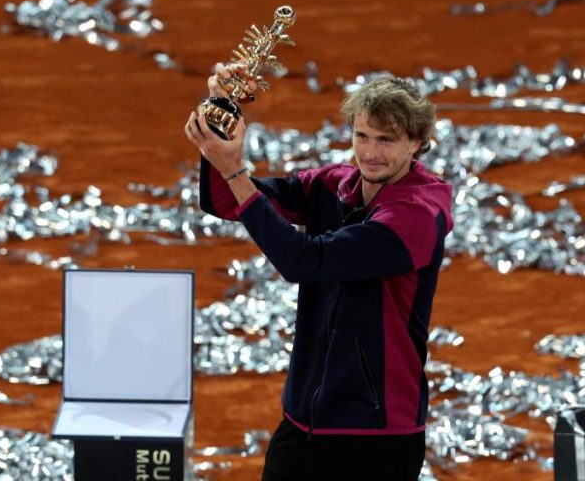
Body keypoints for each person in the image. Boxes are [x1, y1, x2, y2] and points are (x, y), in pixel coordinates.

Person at [184, 63, 453, 481]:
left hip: (376, 431)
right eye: (362, 136)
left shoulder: (416, 216)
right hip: (305, 417)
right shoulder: (333, 184)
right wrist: (222, 115)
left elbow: (304, 261)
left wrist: (235, 170)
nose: (371, 152)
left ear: (417, 143)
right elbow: (227, 201)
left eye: (387, 140)